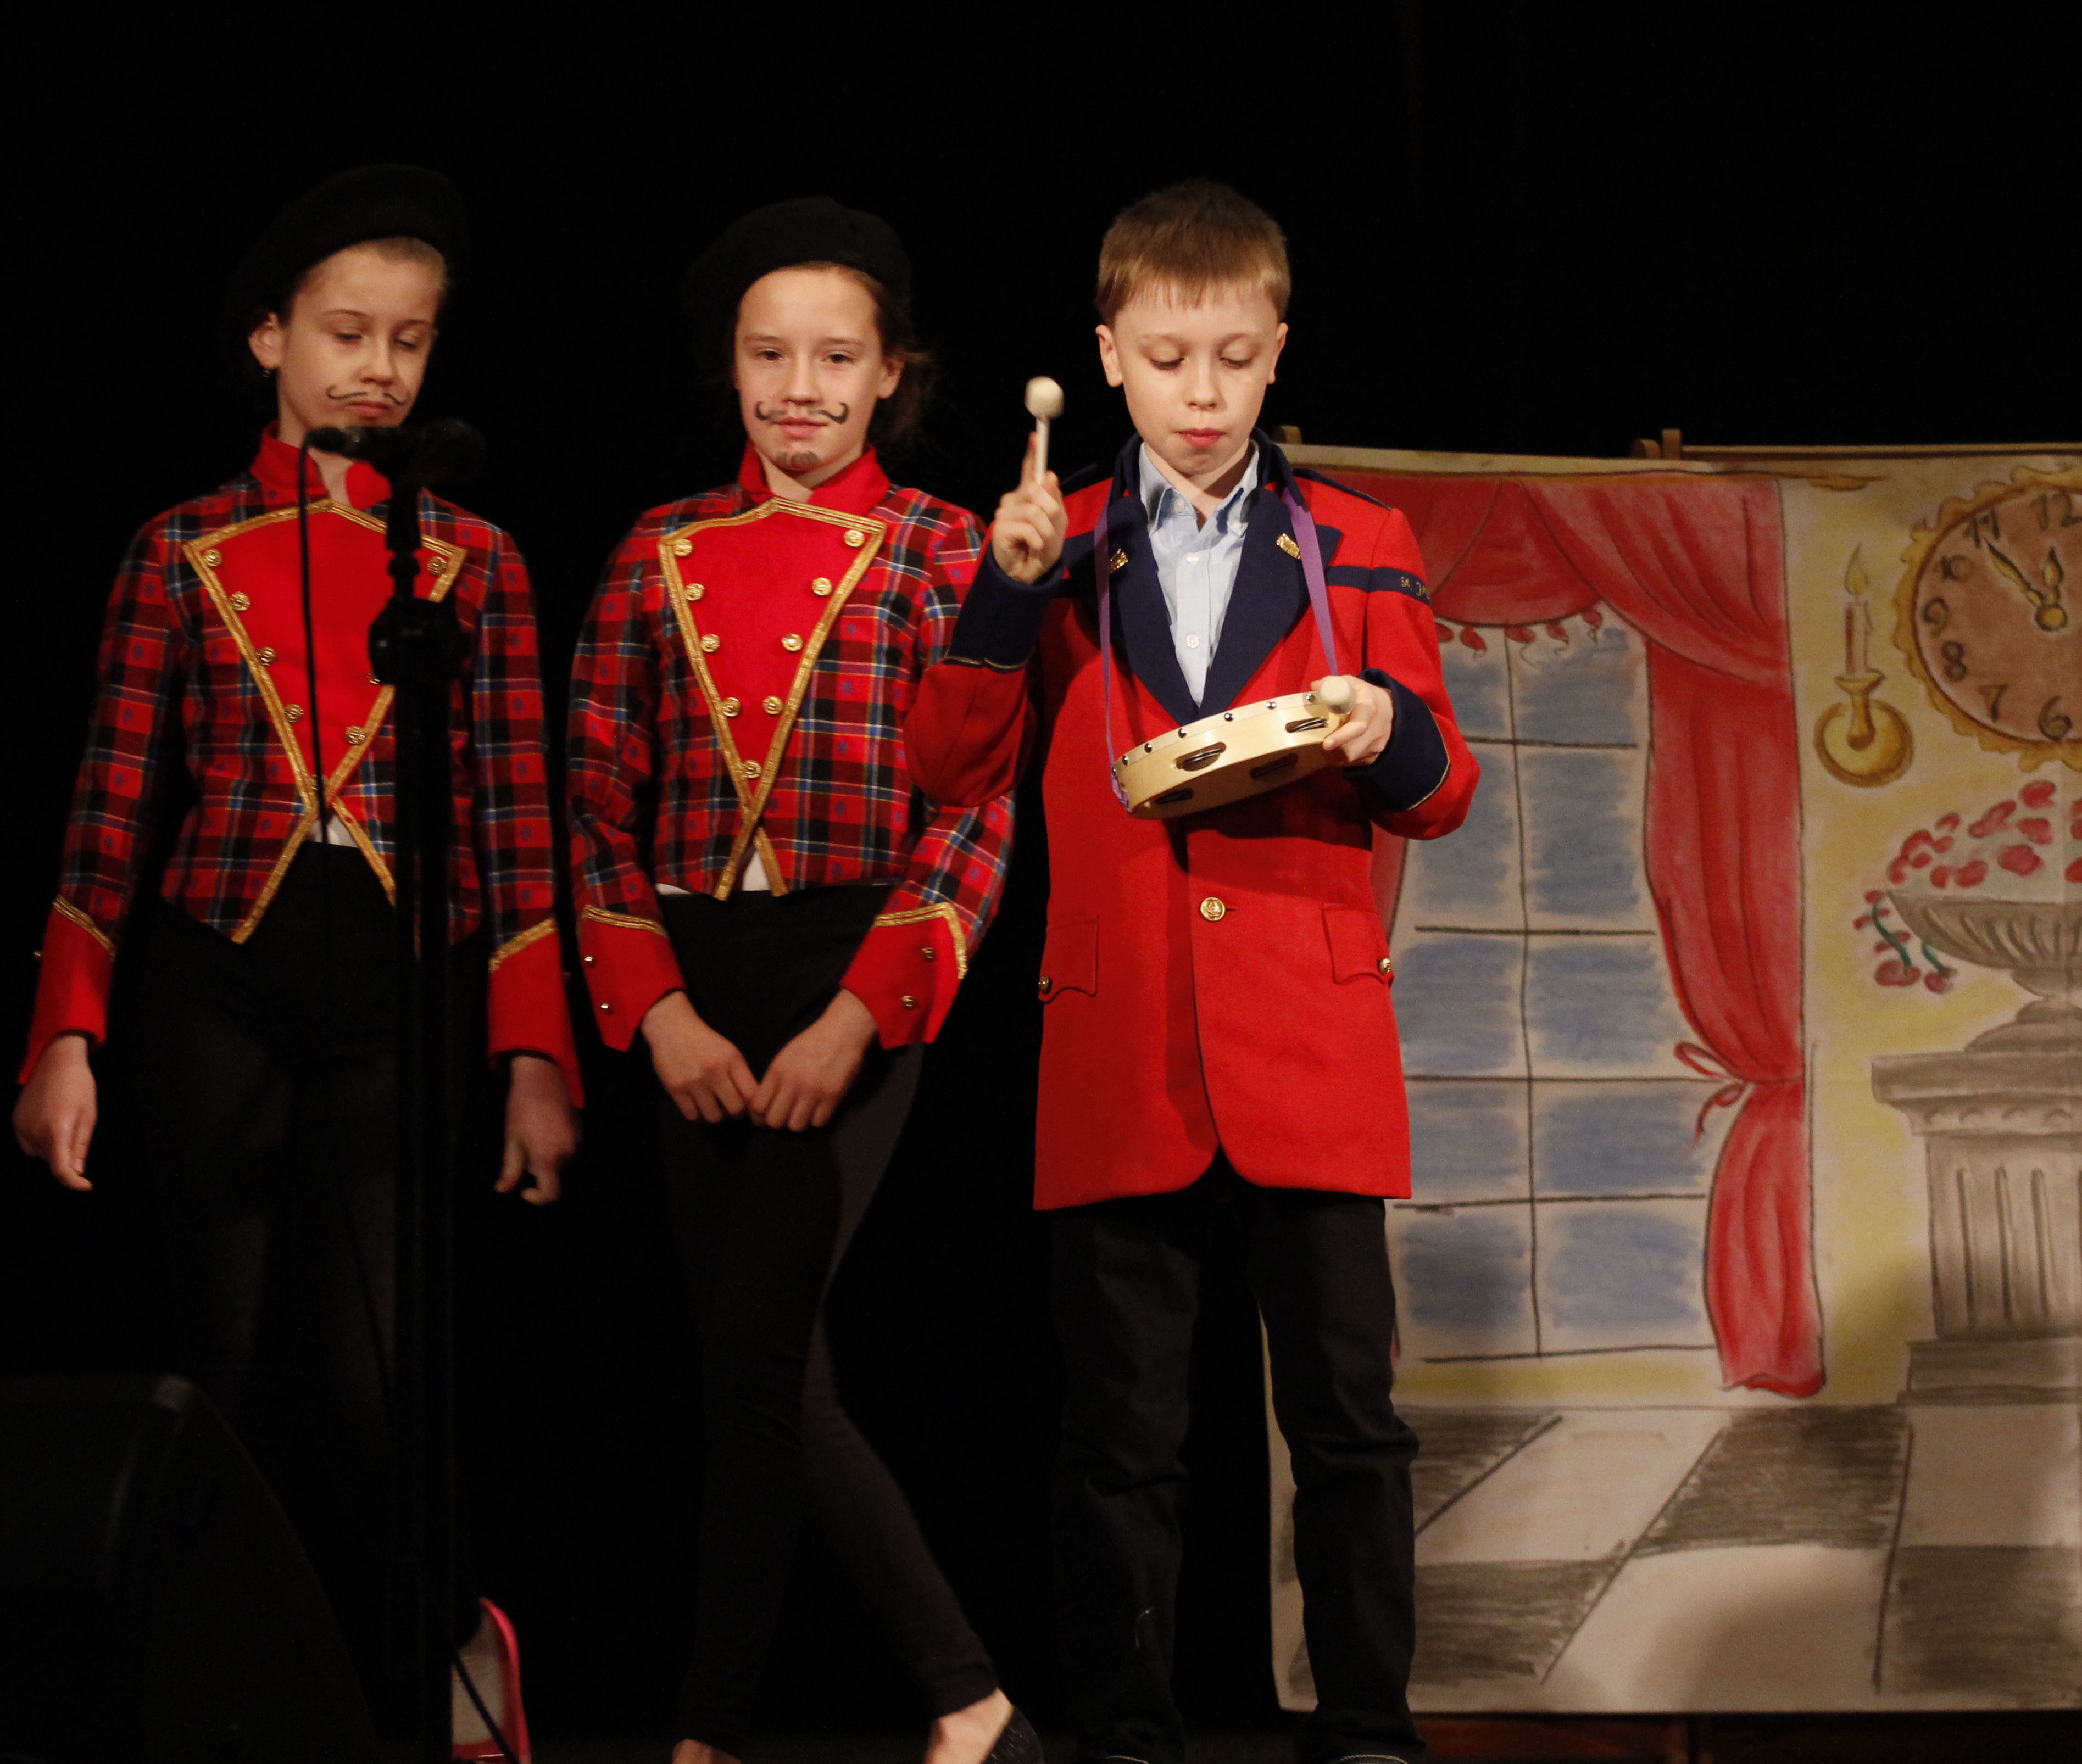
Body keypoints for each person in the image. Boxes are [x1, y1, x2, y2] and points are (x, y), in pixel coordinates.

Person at [905, 180, 1479, 1764]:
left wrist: (1385, 726)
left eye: (1233, 357)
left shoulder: (1358, 541)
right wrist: (1006, 588)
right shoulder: (1061, 538)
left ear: (1278, 349)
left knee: (1349, 1426)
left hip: (1310, 1034)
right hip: (1124, 1030)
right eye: (1168, 360)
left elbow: (1441, 787)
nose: (1203, 393)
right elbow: (949, 768)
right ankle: (1125, 1733)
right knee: (1120, 1434)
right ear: (1109, 356)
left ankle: (1366, 1728)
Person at [9, 165, 578, 1760]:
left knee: (376, 1379)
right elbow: (112, 809)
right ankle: (235, 1691)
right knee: (227, 1364)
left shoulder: (474, 558)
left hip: (402, 985)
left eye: (409, 339)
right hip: (221, 976)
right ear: (270, 337)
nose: (377, 368)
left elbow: (518, 821)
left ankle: (449, 1647)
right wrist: (66, 1035)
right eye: (345, 332)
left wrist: (536, 1053)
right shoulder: (179, 549)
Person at [565, 199, 1035, 1764]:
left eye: (838, 359)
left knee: (761, 1352)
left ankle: (946, 1702)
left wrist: (859, 1015)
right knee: (753, 1375)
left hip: (851, 966)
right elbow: (593, 806)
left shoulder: (945, 549)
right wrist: (659, 1014)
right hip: (698, 978)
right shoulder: (655, 551)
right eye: (770, 357)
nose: (801, 389)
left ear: (892, 372)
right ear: (731, 367)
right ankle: (769, 1727)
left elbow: (973, 809)